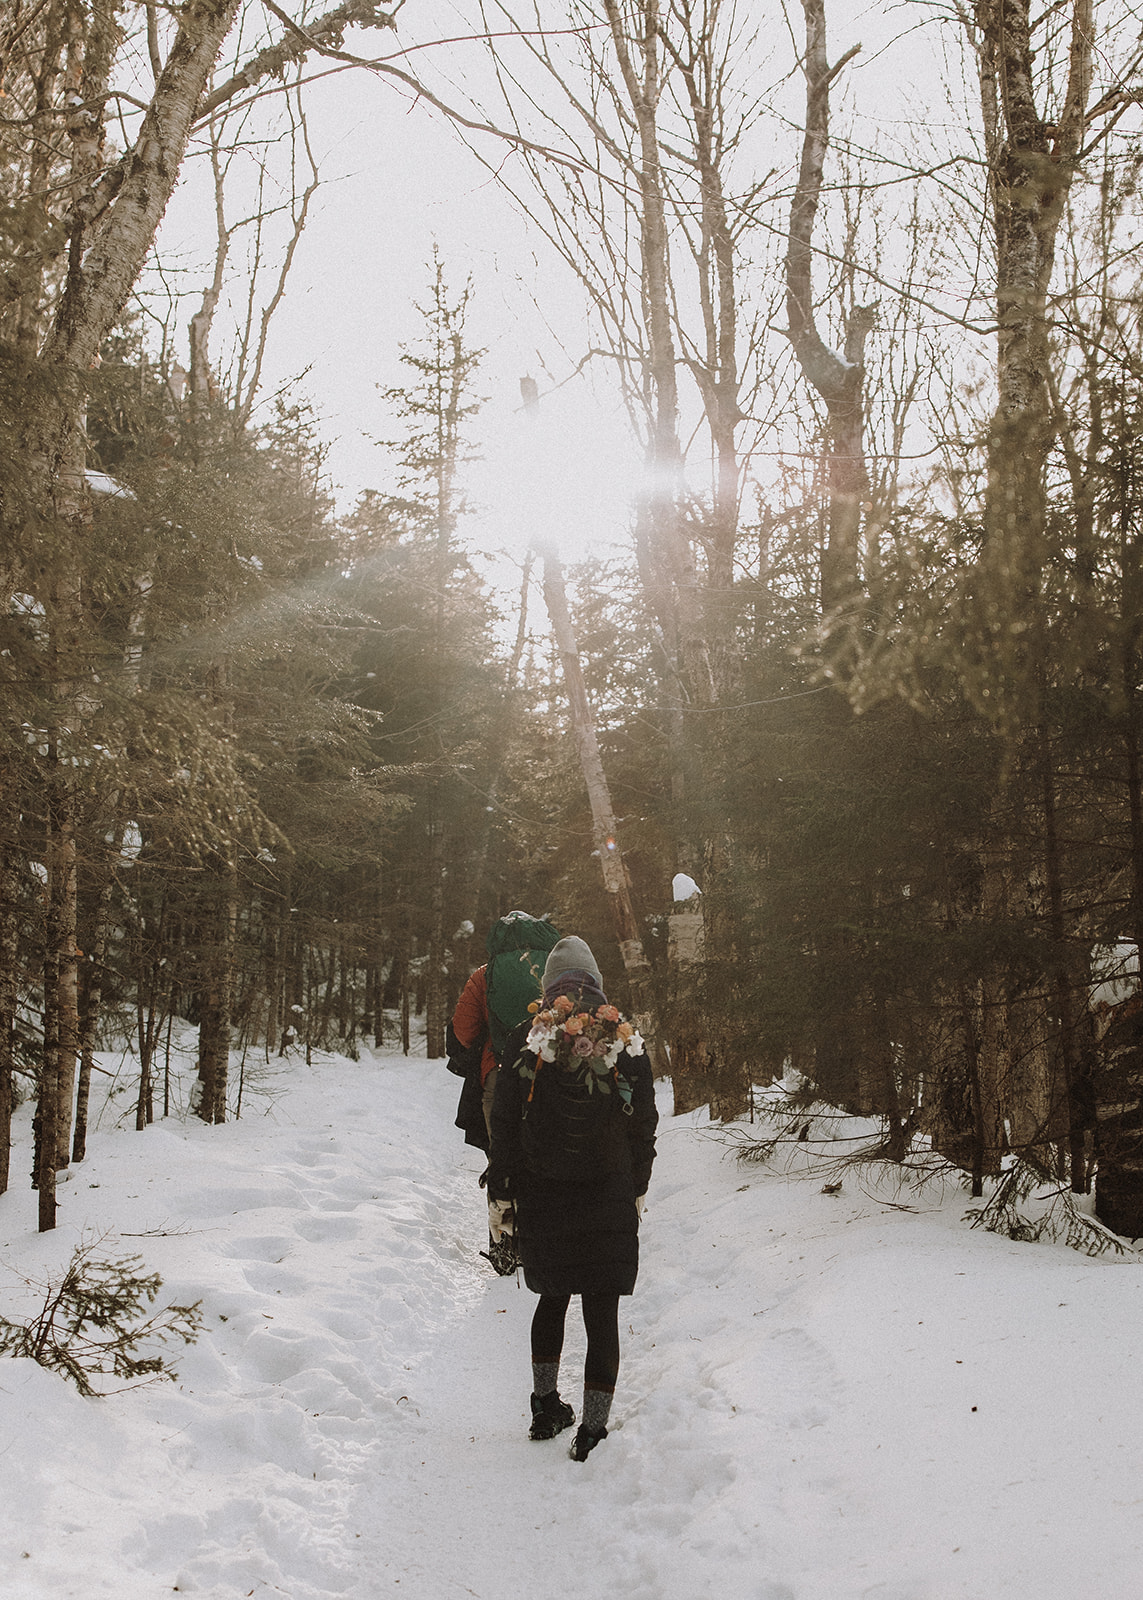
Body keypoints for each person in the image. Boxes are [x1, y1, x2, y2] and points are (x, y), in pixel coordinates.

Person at [487, 935, 657, 1461]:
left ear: (549, 985)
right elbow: (644, 1123)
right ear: (595, 981)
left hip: (544, 1192)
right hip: (608, 1191)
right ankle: (593, 1429)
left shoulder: (525, 1037)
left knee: (552, 1296)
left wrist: (503, 1195)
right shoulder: (623, 1037)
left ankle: (544, 1406)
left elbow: (505, 1129)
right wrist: (637, 1187)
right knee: (600, 1310)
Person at [447, 912, 561, 1272]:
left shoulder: (485, 974)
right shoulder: (555, 971)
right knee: (544, 1156)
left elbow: (463, 1031)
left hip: (497, 1075)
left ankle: (504, 1248)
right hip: (551, 1075)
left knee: (503, 1158)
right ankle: (543, 1243)